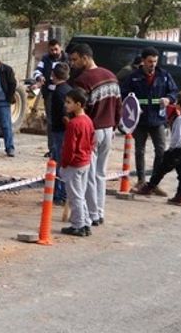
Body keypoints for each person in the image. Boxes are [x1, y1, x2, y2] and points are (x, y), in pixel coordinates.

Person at [68, 43, 121, 227]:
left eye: (75, 59)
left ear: (85, 57)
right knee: (100, 174)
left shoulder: (84, 80)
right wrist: (114, 126)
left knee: (89, 175)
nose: (73, 64)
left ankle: (92, 214)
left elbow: (82, 109)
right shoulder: (111, 76)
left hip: (93, 130)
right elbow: (118, 105)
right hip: (109, 129)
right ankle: (99, 211)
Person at [120, 47, 178, 191]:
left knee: (160, 151)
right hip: (140, 120)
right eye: (150, 61)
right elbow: (123, 94)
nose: (153, 64)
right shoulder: (133, 77)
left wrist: (168, 99)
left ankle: (154, 183)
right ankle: (141, 181)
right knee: (140, 151)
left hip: (158, 120)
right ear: (143, 61)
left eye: (155, 61)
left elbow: (174, 91)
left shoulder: (164, 75)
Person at [135, 91, 181, 206]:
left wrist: (170, 149)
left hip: (177, 149)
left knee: (161, 169)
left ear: (179, 105)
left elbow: (176, 137)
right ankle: (180, 194)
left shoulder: (180, 119)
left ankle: (149, 187)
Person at [59, 87, 95, 237]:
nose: (66, 105)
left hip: (74, 164)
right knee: (80, 194)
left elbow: (69, 147)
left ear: (79, 104)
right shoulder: (88, 120)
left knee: (75, 196)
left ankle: (78, 224)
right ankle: (85, 222)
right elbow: (93, 141)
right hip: (85, 161)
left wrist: (64, 163)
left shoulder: (74, 123)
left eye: (69, 102)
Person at [32, 39, 69, 157]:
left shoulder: (67, 60)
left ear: (61, 48)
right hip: (50, 95)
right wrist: (40, 78)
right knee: (51, 122)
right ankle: (52, 148)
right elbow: (37, 71)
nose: (54, 52)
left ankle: (64, 147)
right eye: (51, 49)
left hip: (64, 94)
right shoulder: (46, 59)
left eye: (56, 49)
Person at [50, 62, 73, 204]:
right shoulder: (69, 90)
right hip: (63, 131)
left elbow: (64, 116)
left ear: (53, 75)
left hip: (60, 132)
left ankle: (60, 195)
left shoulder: (59, 93)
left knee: (59, 164)